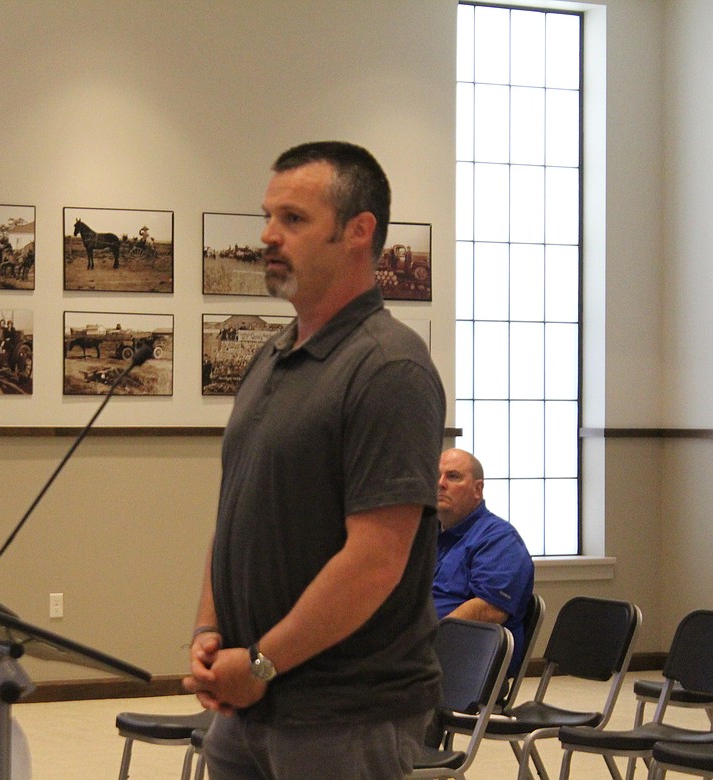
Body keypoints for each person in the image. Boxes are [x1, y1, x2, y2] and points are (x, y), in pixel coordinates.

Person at [182, 141, 446, 780]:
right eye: (268, 217)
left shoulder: (389, 367)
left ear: (359, 232)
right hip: (249, 706)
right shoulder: (272, 357)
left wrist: (264, 663)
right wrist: (209, 632)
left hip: (344, 715)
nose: (269, 236)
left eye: (294, 220)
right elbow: (237, 516)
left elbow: (375, 558)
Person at [433, 447, 535, 676]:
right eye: (435, 475)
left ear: (477, 489)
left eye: (453, 476)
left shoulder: (498, 539)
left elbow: (490, 610)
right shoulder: (428, 536)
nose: (440, 483)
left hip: (469, 660)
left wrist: (424, 639)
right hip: (424, 653)